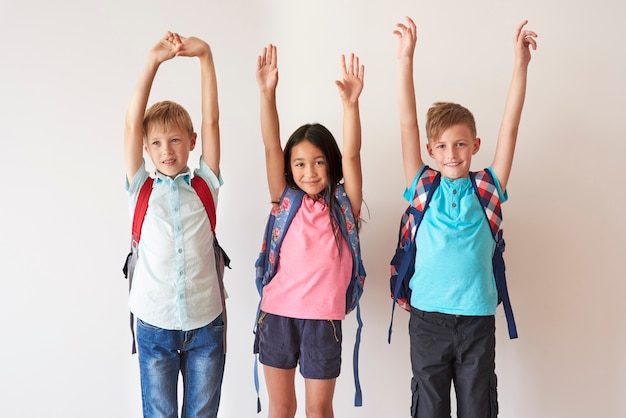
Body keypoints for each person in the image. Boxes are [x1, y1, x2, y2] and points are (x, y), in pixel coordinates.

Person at [393, 16, 538, 417]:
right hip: (427, 321)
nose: (452, 153)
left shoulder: (488, 189)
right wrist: (406, 59)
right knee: (430, 409)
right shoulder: (422, 185)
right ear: (430, 150)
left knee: (478, 409)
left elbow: (510, 127)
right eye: (442, 146)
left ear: (474, 144)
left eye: (460, 144)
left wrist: (520, 64)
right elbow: (407, 122)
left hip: (476, 323)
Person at [253, 44, 365, 418]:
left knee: (318, 411)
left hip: (324, 319)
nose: (310, 172)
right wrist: (267, 94)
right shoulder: (283, 200)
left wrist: (351, 105)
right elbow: (272, 146)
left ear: (330, 164)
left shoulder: (343, 206)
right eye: (299, 163)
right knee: (282, 408)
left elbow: (352, 155)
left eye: (318, 162)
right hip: (278, 314)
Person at [124, 32, 225, 418]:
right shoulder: (141, 189)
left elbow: (213, 118)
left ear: (192, 142)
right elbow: (133, 121)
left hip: (205, 325)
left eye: (176, 140)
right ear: (146, 149)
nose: (167, 150)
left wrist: (206, 56)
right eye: (157, 143)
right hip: (154, 325)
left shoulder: (205, 186)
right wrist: (153, 61)